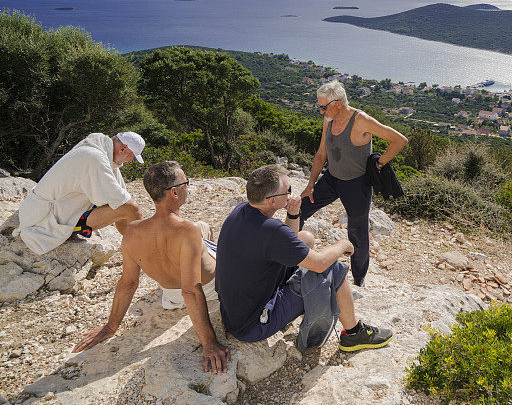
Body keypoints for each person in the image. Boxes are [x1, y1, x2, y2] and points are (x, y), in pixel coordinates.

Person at [73, 161, 231, 374]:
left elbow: (128, 283)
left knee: (203, 226)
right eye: (186, 183)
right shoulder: (187, 231)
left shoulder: (132, 231)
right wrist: (209, 342)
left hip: (169, 297)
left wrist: (110, 327)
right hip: (209, 289)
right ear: (174, 192)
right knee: (219, 244)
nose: (188, 187)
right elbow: (191, 291)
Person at [215, 165, 392, 351]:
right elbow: (319, 264)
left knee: (305, 238)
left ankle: (295, 306)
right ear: (273, 201)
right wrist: (342, 245)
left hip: (235, 313)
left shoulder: (241, 211)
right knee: (333, 268)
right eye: (288, 191)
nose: (291, 194)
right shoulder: (271, 230)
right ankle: (354, 333)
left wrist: (293, 213)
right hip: (254, 324)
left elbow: (288, 242)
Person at [299, 81, 407, 286]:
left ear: (338, 103)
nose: (321, 111)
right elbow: (322, 153)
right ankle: (293, 256)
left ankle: (358, 278)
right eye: (319, 107)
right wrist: (310, 184)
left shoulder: (361, 120)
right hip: (331, 179)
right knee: (301, 209)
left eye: (323, 107)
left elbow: (399, 140)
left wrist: (380, 163)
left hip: (357, 184)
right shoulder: (329, 119)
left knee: (357, 232)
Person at [14, 132, 145, 255]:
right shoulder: (94, 158)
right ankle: (146, 250)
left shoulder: (99, 149)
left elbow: (121, 198)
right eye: (131, 156)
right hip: (43, 220)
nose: (129, 160)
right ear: (123, 149)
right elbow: (125, 204)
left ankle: (137, 248)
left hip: (38, 210)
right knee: (131, 208)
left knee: (126, 209)